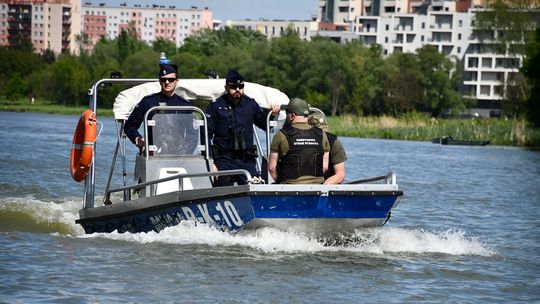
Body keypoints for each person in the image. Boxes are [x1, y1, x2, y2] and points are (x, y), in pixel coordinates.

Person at [205, 69, 280, 186]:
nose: (238, 90)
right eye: (234, 87)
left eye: (240, 86)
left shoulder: (250, 104)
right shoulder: (216, 106)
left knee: (255, 188)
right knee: (222, 190)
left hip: (247, 160)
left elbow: (264, 124)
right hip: (224, 160)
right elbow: (205, 135)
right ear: (226, 88)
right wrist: (210, 162)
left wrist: (273, 114)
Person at [124, 64, 197, 154]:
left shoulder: (186, 105)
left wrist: (184, 153)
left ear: (176, 81)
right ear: (159, 81)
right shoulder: (148, 102)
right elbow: (129, 126)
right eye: (163, 79)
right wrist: (139, 140)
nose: (167, 82)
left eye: (171, 80)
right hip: (152, 155)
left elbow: (192, 136)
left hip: (178, 155)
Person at [268, 98, 330, 184]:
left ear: (292, 116)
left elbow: (272, 168)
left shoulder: (280, 135)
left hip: (289, 187)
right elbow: (324, 167)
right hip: (317, 187)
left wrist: (280, 182)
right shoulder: (322, 134)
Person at [308, 113, 347, 184]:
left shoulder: (334, 142)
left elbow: (340, 175)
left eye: (324, 130)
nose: (323, 134)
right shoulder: (303, 141)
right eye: (318, 132)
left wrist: (324, 187)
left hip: (327, 184)